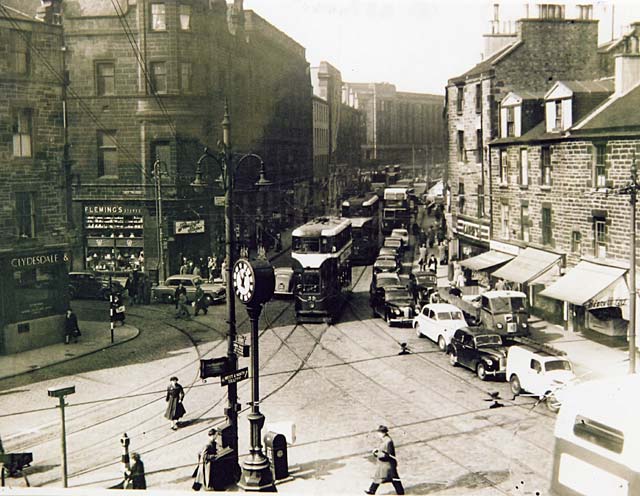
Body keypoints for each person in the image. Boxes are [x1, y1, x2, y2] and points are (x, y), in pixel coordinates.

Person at [365, 425, 404, 495]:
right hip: (383, 464)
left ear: (383, 433)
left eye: (379, 433)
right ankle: (372, 491)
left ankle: (400, 492)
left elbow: (389, 455)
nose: (378, 434)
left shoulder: (388, 441)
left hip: (388, 465)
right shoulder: (385, 440)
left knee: (393, 478)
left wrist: (377, 453)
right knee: (379, 477)